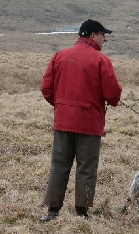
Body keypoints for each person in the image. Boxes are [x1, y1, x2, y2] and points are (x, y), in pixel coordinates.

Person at [39, 19, 122, 221]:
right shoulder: (101, 60)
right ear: (93, 35)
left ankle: (52, 211)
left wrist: (62, 106)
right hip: (89, 123)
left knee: (59, 164)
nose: (105, 40)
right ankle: (82, 212)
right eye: (104, 35)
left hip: (63, 120)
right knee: (86, 166)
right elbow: (112, 94)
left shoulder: (60, 56)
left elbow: (46, 89)